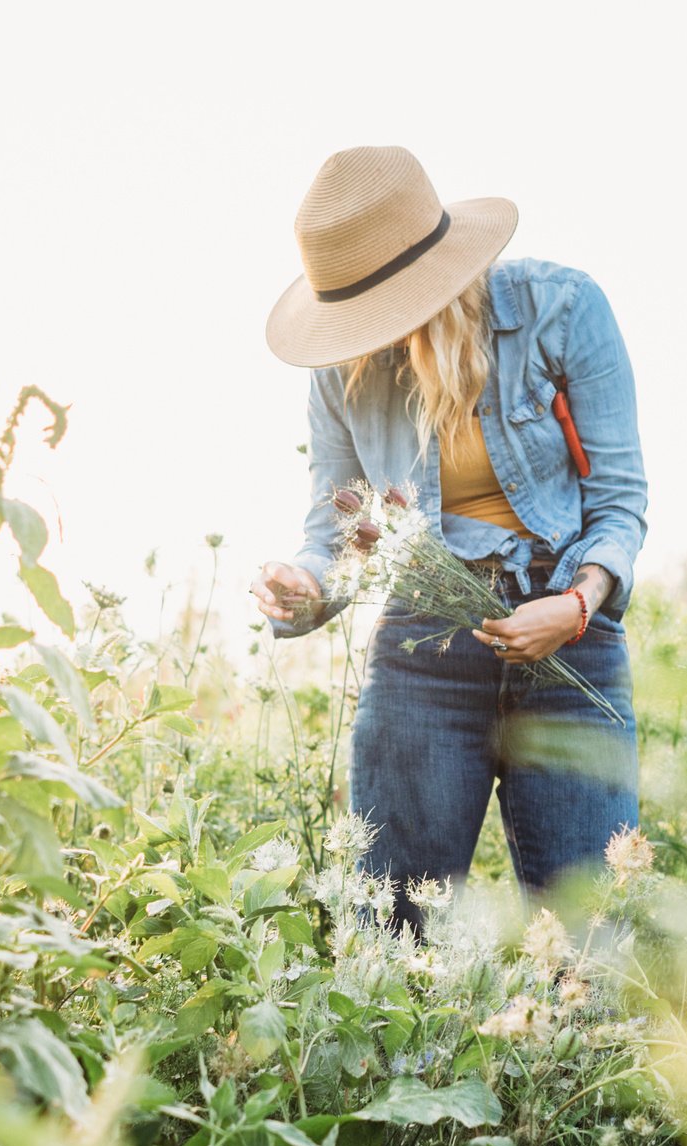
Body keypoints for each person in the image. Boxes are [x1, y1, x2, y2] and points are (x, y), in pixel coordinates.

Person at [255, 146, 648, 934]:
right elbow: (341, 531)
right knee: (392, 934)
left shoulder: (562, 310)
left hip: (569, 649)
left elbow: (619, 504)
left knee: (589, 935)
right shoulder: (340, 372)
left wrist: (574, 607)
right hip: (424, 656)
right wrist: (303, 587)